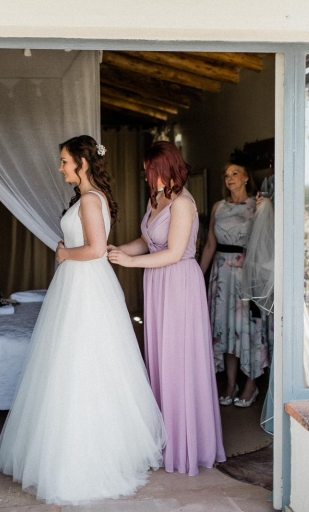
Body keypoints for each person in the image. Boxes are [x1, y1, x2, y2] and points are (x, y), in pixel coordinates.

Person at [0, 135, 166, 505]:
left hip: (85, 285)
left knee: (80, 365)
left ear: (82, 164)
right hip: (81, 284)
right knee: (75, 365)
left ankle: (85, 462)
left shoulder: (89, 199)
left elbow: (95, 249)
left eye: (64, 161)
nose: (60, 167)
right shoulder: (90, 198)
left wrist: (63, 253)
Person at [108, 141, 225, 476]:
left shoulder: (184, 203)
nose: (148, 175)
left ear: (170, 167)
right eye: (147, 170)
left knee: (180, 361)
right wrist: (118, 250)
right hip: (157, 284)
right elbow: (147, 240)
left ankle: (187, 445)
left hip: (179, 284)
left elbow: (173, 252)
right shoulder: (156, 198)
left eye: (153, 170)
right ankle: (164, 437)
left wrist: (131, 263)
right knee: (160, 358)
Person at [199, 163, 270, 408]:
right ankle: (230, 384)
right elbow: (210, 244)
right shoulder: (219, 206)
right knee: (225, 330)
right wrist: (199, 276)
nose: (229, 178)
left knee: (247, 329)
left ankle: (251, 384)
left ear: (247, 177)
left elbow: (266, 243)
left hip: (245, 274)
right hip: (221, 275)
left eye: (235, 173)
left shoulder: (257, 206)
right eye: (226, 174)